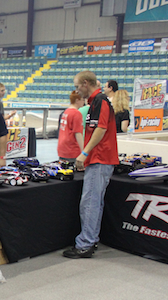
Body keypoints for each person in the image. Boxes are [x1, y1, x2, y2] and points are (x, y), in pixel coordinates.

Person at [63, 70, 118, 259]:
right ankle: (90, 239)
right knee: (94, 202)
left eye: (77, 86)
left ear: (86, 83)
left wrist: (84, 153)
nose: (77, 91)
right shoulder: (95, 101)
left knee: (89, 203)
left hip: (100, 159)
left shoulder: (100, 101)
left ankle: (85, 244)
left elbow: (100, 129)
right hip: (98, 159)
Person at [57, 91, 85, 162]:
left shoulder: (66, 111)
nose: (84, 102)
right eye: (82, 100)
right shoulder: (76, 113)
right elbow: (78, 133)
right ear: (77, 100)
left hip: (62, 148)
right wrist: (84, 152)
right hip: (72, 149)